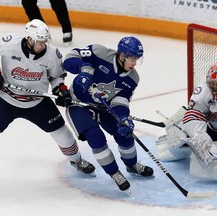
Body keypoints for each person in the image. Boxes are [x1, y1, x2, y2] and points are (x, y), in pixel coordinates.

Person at [0, 19, 95, 176]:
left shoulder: (52, 53)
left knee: (65, 136)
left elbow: (57, 77)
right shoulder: (9, 43)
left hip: (37, 102)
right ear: (29, 39)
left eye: (44, 41)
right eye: (39, 42)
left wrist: (60, 90)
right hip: (5, 100)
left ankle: (76, 160)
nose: (43, 45)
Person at [63, 36, 154, 191]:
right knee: (95, 136)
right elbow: (70, 59)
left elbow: (121, 100)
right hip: (78, 103)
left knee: (125, 134)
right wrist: (83, 69)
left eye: (136, 59)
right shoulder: (99, 53)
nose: (134, 63)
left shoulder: (133, 78)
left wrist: (123, 117)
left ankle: (132, 165)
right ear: (122, 55)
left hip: (105, 108)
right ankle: (114, 172)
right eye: (132, 59)